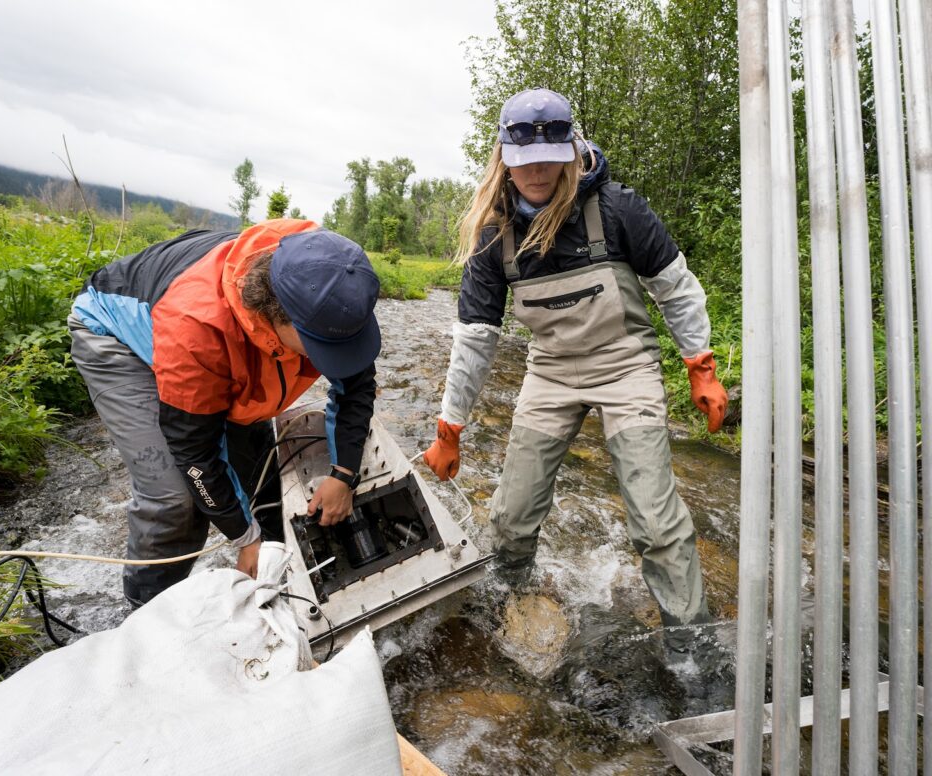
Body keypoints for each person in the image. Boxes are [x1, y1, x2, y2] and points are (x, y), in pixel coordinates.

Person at [422, 88, 727, 644]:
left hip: (626, 367)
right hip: (550, 372)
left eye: (548, 156)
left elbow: (676, 290)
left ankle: (693, 644)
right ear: (502, 160)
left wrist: (699, 365)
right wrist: (450, 427)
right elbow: (475, 340)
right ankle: (505, 614)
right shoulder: (494, 236)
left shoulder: (619, 209)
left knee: (656, 524)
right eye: (521, 161)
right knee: (511, 519)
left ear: (570, 149)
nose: (536, 171)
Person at [69, 220, 380, 606]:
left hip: (213, 334)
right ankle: (146, 613)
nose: (336, 357)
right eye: (323, 347)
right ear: (276, 314)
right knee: (174, 500)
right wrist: (244, 538)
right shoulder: (197, 330)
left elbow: (357, 385)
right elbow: (194, 452)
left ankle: (279, 573)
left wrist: (343, 474)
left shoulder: (333, 285)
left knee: (260, 468)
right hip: (115, 336)